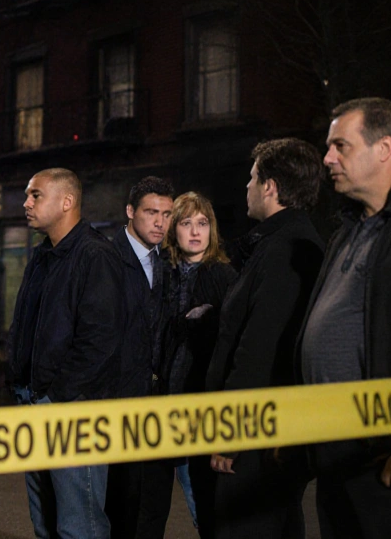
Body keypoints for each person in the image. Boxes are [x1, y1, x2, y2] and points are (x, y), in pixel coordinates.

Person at [296, 97, 391, 538]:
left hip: (390, 462)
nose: (327, 158)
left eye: (341, 146)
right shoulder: (346, 232)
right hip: (336, 454)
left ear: (384, 149)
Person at [206, 138, 325, 539]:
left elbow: (260, 347)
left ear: (270, 187)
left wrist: (232, 431)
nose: (247, 186)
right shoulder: (282, 242)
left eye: (253, 178)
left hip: (259, 435)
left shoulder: (284, 249)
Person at [7, 168, 126, 539]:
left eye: (36, 195)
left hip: (73, 409)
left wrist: (56, 395)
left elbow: (100, 341)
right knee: (45, 521)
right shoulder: (43, 256)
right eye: (27, 195)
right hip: (35, 401)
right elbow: (26, 326)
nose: (26, 204)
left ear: (67, 202)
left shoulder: (95, 256)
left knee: (80, 524)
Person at [160, 192, 238, 539]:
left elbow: (232, 349)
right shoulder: (167, 274)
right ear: (173, 229)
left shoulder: (222, 276)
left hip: (202, 406)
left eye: (203, 223)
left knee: (206, 506)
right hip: (168, 403)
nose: (195, 231)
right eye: (187, 223)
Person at [107, 176, 175, 539]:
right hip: (118, 403)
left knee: (153, 507)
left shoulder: (170, 261)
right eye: (151, 212)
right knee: (121, 506)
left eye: (167, 214)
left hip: (160, 406)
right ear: (131, 212)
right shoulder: (106, 258)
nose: (160, 222)